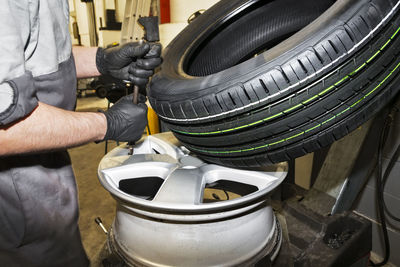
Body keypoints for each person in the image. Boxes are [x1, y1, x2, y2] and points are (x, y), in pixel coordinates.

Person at [0, 1, 162, 266]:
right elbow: (4, 131)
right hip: (11, 208)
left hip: (43, 176)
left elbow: (38, 55)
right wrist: (107, 124)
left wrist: (103, 59)